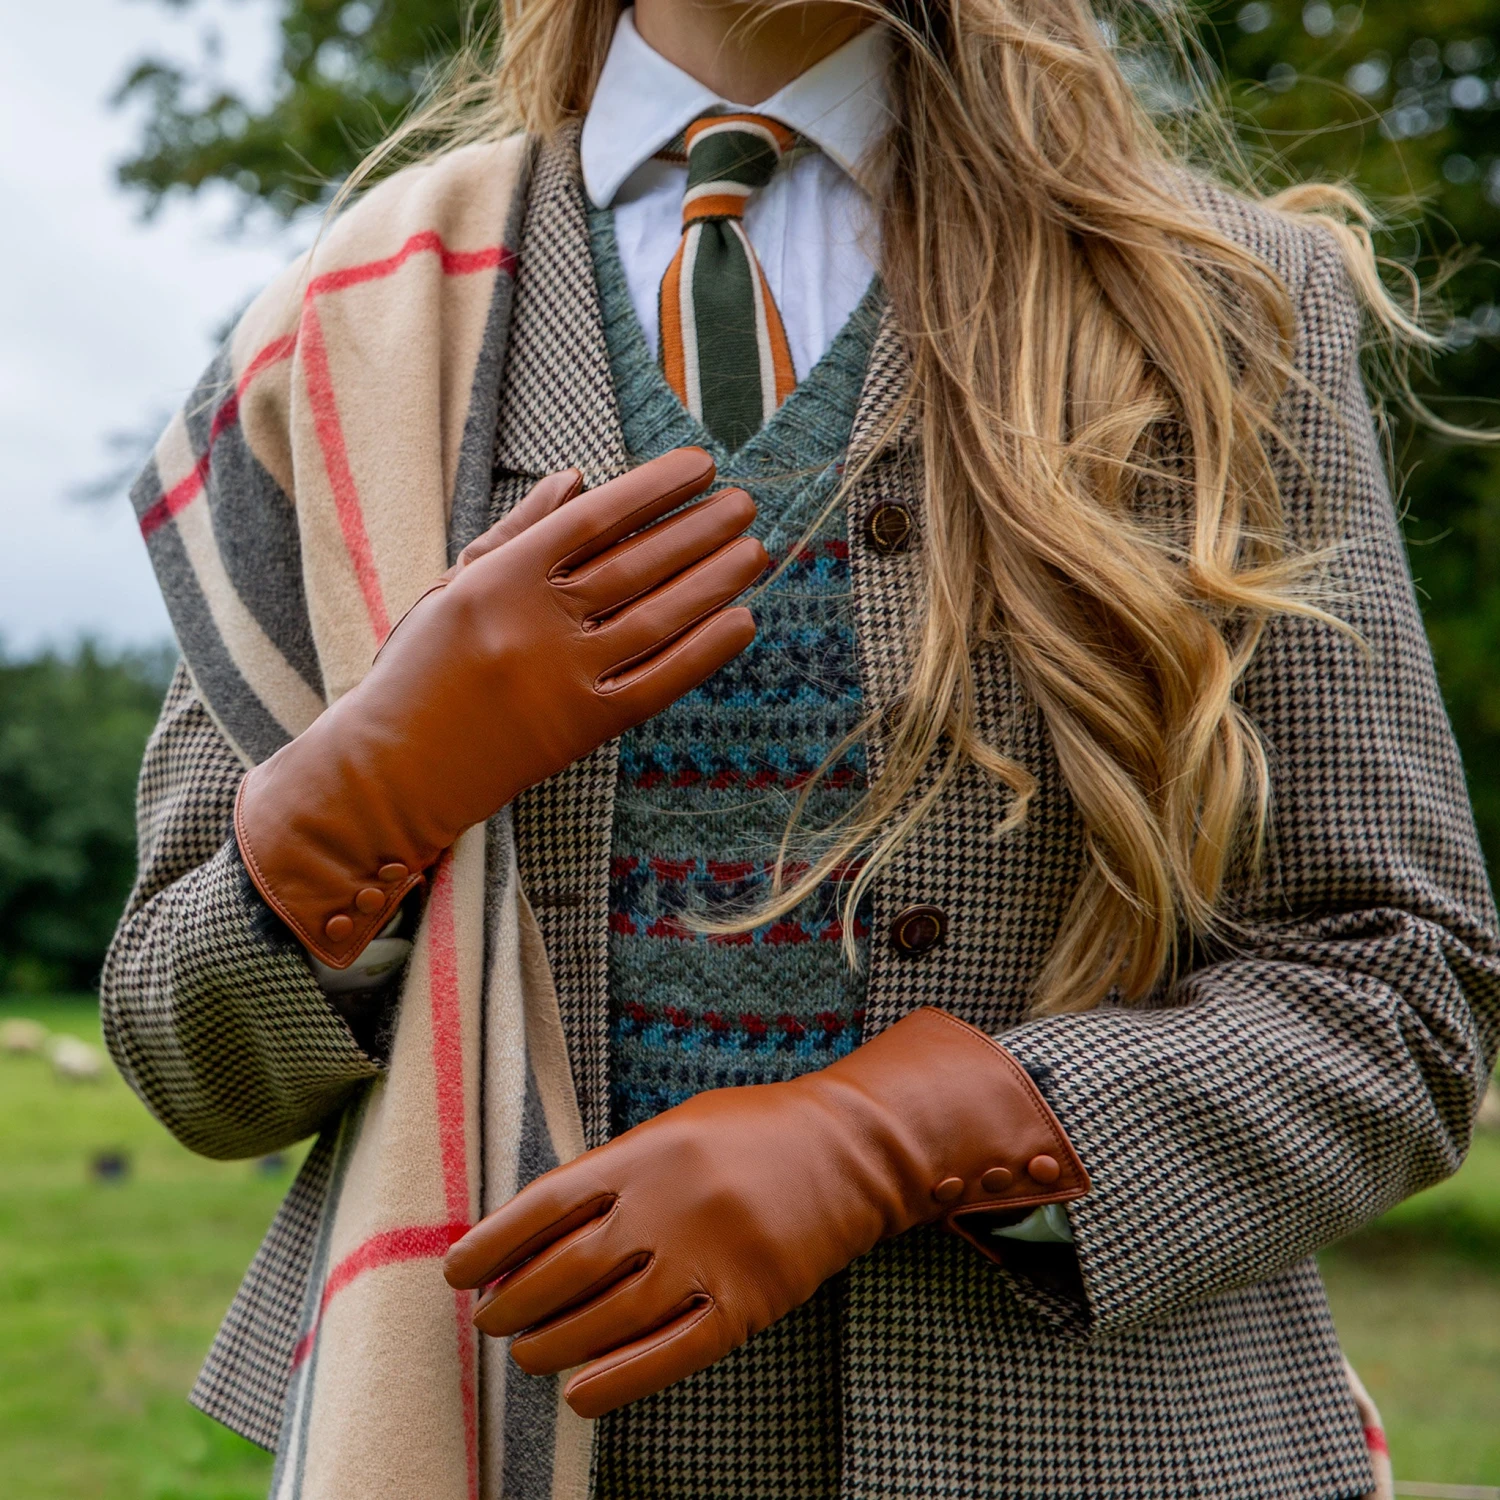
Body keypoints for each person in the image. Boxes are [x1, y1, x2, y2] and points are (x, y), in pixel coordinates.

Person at [102, 0, 1497, 1495]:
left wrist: (896, 1138)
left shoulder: (1215, 297)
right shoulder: (350, 334)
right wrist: (366, 795)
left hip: (1100, 1453)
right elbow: (196, 1066)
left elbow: (1400, 985)